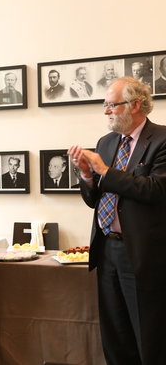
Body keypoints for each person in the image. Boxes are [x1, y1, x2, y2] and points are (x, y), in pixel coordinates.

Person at [68, 77, 166, 364]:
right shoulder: (106, 143)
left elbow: (156, 189)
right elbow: (95, 200)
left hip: (143, 255)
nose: (106, 111)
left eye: (112, 105)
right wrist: (87, 175)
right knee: (115, 337)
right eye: (105, 105)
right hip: (107, 250)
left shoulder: (162, 140)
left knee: (148, 337)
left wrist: (105, 171)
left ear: (135, 105)